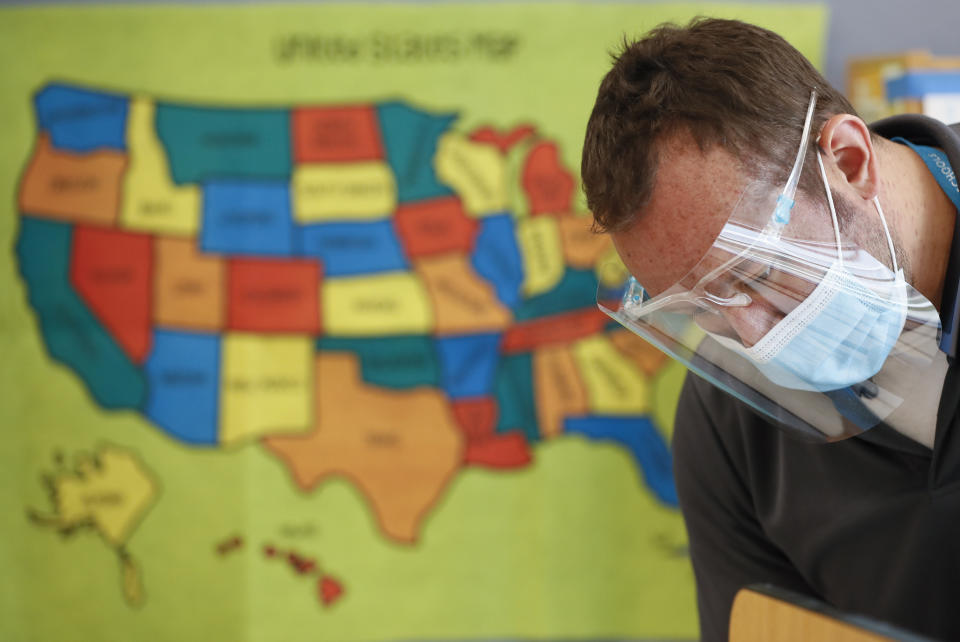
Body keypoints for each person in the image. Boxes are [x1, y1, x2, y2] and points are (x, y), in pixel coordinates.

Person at [581, 17, 960, 642]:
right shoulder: (729, 421)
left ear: (848, 160)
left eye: (754, 273)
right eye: (700, 306)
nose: (754, 340)